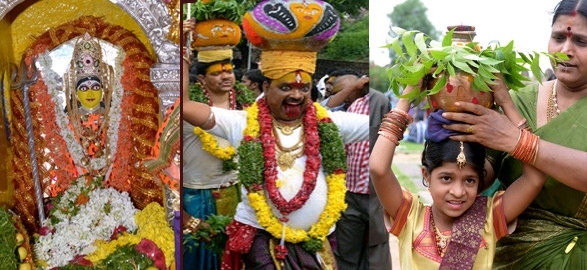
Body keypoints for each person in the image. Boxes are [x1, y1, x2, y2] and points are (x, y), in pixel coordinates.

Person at [183, 1, 368, 268]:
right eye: (285, 87)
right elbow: (187, 107)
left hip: (315, 242)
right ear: (266, 87)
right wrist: (179, 55)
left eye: (303, 88)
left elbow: (382, 124)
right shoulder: (244, 123)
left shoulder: (330, 124)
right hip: (261, 241)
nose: (296, 94)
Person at [441, 0, 587, 268]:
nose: (565, 51)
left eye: (581, 42)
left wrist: (520, 143)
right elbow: (480, 177)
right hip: (511, 255)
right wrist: (451, 143)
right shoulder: (519, 100)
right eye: (558, 38)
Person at [369, 79, 547, 268]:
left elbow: (535, 178)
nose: (458, 191)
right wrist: (407, 97)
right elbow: (378, 169)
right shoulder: (410, 216)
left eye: (469, 180)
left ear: (480, 179)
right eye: (446, 178)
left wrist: (507, 103)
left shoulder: (488, 218)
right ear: (426, 175)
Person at [181, 3, 255, 269]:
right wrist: (186, 215)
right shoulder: (187, 111)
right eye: (218, 72)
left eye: (229, 70)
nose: (227, 75)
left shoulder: (248, 106)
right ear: (201, 79)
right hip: (197, 197)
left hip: (238, 194)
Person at [323, 73, 393, 269]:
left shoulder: (378, 100)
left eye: (346, 91)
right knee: (346, 249)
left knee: (375, 247)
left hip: (373, 192)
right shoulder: (353, 107)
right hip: (350, 191)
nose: (343, 96)